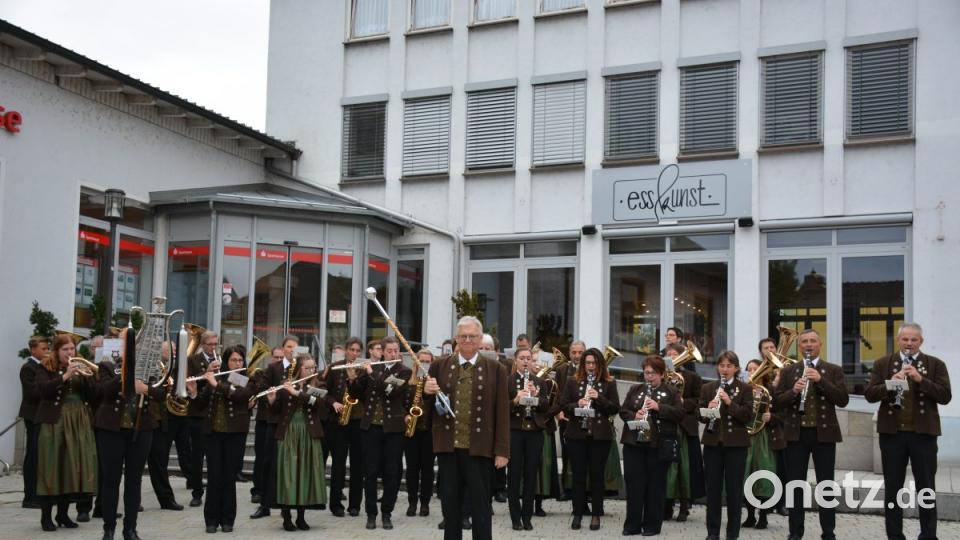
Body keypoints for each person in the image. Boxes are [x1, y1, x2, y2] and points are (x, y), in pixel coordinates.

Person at [424, 315, 510, 540]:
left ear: (480, 338)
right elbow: (426, 409)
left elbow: (502, 412)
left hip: (480, 448)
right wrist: (426, 392)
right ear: (456, 339)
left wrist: (502, 450)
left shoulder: (496, 368)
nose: (468, 340)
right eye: (464, 336)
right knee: (450, 507)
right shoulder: (439, 366)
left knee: (481, 507)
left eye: (473, 336)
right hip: (448, 448)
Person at [864, 322, 951, 540]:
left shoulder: (935, 364)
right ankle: (894, 535)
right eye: (905, 339)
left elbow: (945, 396)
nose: (909, 343)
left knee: (926, 487)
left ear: (921, 341)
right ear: (899, 340)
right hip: (892, 435)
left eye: (914, 340)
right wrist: (889, 384)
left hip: (923, 436)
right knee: (893, 487)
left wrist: (921, 380)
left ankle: (928, 535)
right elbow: (870, 394)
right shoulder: (884, 363)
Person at [773, 328, 849, 540]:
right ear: (800, 347)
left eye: (812, 341)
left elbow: (843, 399)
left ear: (820, 345)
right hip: (796, 435)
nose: (808, 345)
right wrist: (793, 392)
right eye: (804, 341)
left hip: (824, 435)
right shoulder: (789, 371)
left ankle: (828, 532)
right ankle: (795, 532)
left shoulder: (833, 370)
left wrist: (820, 380)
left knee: (826, 484)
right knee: (795, 484)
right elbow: (776, 402)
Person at [95, 329, 168, 540]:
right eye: (125, 343)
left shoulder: (149, 366)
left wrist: (145, 388)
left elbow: (162, 394)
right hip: (111, 428)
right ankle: (108, 528)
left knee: (134, 480)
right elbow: (100, 392)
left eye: (133, 343)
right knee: (110, 479)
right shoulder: (107, 364)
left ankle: (130, 528)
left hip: (141, 427)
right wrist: (124, 377)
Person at [33, 335, 98, 532]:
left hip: (79, 421)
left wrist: (89, 380)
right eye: (65, 350)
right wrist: (65, 376)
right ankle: (46, 517)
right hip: (55, 422)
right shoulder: (46, 367)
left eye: (72, 349)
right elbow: (42, 391)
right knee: (53, 466)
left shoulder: (81, 367)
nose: (70, 353)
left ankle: (63, 514)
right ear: (56, 351)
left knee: (72, 466)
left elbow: (94, 396)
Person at [352, 336, 412, 530]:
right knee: (369, 472)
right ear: (382, 352)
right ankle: (371, 514)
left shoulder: (404, 371)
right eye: (390, 351)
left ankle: (387, 513)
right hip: (370, 428)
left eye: (396, 351)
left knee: (392, 472)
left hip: (393, 429)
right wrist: (353, 377)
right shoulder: (373, 367)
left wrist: (371, 373)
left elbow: (389, 390)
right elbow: (355, 394)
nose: (393, 354)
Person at [194, 345, 254, 533]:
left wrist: (215, 383)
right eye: (233, 360)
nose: (237, 363)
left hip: (234, 434)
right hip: (213, 433)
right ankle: (211, 520)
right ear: (226, 361)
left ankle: (228, 520)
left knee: (229, 477)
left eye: (240, 360)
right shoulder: (217, 376)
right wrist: (194, 390)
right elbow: (201, 403)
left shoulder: (245, 379)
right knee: (214, 476)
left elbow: (240, 396)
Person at [620, 355, 683, 536]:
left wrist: (658, 407)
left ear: (662, 374)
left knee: (655, 487)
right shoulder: (635, 389)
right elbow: (623, 410)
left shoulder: (671, 392)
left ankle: (652, 526)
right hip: (634, 443)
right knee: (634, 485)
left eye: (653, 373)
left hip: (658, 445)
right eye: (647, 373)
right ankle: (632, 525)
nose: (649, 377)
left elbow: (680, 414)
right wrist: (635, 415)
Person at [559, 347, 620, 531]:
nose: (590, 367)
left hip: (600, 437)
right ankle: (577, 514)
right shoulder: (572, 381)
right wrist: (577, 403)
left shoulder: (609, 382)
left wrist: (599, 397)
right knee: (578, 476)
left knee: (596, 477)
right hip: (577, 435)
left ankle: (596, 515)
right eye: (587, 363)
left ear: (600, 364)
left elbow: (615, 408)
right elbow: (563, 404)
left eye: (593, 363)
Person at [268, 354, 330, 531]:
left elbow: (318, 403)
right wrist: (272, 400)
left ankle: (301, 517)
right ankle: (286, 517)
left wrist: (296, 392)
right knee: (289, 474)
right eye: (308, 367)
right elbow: (277, 410)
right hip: (289, 432)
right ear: (299, 369)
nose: (312, 370)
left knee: (305, 473)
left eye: (313, 367)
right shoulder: (286, 383)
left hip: (309, 433)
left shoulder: (319, 385)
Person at [700, 350, 753, 540]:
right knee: (713, 491)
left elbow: (748, 416)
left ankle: (732, 534)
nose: (725, 369)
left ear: (736, 368)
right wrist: (709, 410)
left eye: (729, 366)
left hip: (736, 446)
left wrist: (729, 403)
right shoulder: (708, 388)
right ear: (717, 367)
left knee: (734, 491)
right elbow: (700, 416)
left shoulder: (745, 389)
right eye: (722, 365)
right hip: (713, 445)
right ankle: (712, 533)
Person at [250, 337, 298, 520]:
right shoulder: (272, 369)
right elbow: (261, 388)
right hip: (274, 421)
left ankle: (289, 506)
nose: (291, 350)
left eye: (294, 347)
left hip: (294, 422)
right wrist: (275, 393)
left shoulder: (301, 368)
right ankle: (265, 505)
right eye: (288, 347)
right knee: (269, 462)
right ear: (283, 348)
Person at [663, 341, 705, 522]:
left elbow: (698, 400)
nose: (671, 357)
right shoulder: (661, 375)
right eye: (668, 354)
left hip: (686, 426)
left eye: (674, 354)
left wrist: (679, 402)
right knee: (667, 468)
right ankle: (666, 504)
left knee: (686, 469)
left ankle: (685, 505)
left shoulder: (693, 377)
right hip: (667, 425)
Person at [325, 337, 366, 517]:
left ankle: (355, 505)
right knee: (338, 464)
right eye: (352, 350)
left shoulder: (364, 370)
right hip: (338, 421)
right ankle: (336, 504)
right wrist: (333, 403)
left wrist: (353, 379)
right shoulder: (335, 368)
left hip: (357, 421)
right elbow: (325, 392)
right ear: (346, 350)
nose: (355, 354)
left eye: (358, 351)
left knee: (358, 465)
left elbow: (363, 394)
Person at [741, 358, 783, 530]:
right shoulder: (742, 390)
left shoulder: (771, 390)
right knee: (745, 473)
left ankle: (764, 515)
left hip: (764, 437)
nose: (752, 372)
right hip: (745, 436)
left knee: (763, 473)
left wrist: (771, 417)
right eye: (749, 369)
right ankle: (750, 514)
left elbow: (783, 415)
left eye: (755, 368)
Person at [507, 347, 545, 531]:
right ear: (515, 361)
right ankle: (515, 517)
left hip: (534, 433)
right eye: (521, 358)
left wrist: (536, 396)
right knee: (514, 475)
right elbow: (502, 408)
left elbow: (547, 406)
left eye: (528, 358)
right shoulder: (508, 381)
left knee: (531, 476)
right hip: (515, 432)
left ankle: (527, 516)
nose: (525, 361)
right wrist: (516, 400)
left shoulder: (539, 381)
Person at [145, 341, 186, 512]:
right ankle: (135, 500)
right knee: (137, 464)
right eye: (168, 350)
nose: (172, 353)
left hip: (160, 420)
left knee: (160, 462)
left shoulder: (172, 367)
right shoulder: (147, 365)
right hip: (144, 419)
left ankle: (166, 499)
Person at [185, 330, 220, 507]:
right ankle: (196, 492)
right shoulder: (192, 360)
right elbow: (189, 383)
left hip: (215, 412)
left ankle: (215, 490)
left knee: (214, 456)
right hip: (198, 412)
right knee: (197, 456)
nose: (213, 348)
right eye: (210, 344)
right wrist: (207, 372)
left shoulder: (220, 360)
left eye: (215, 344)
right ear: (203, 345)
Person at [249, 347, 285, 509]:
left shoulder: (288, 372)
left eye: (281, 357)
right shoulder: (265, 372)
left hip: (277, 421)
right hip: (264, 419)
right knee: (261, 456)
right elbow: (259, 392)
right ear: (271, 357)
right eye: (276, 357)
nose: (278, 359)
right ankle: (257, 490)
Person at [403, 348, 436, 517]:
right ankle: (412, 502)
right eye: (421, 361)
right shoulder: (408, 382)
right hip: (412, 430)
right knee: (412, 469)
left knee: (428, 470)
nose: (424, 364)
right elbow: (400, 405)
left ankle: (425, 503)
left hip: (429, 431)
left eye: (427, 361)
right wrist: (405, 416)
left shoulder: (434, 383)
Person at [19, 335, 49, 510]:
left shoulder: (41, 367)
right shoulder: (28, 368)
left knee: (40, 454)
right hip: (33, 414)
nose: (47, 352)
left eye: (47, 348)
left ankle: (38, 493)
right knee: (33, 454)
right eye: (44, 349)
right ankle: (29, 496)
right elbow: (32, 392)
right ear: (33, 350)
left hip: (42, 414)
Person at [555, 339, 585, 501]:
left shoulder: (589, 369)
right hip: (565, 418)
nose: (577, 356)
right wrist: (558, 412)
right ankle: (566, 489)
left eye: (580, 352)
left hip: (585, 418)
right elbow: (558, 394)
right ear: (569, 354)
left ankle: (582, 491)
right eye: (574, 352)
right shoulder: (562, 370)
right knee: (567, 454)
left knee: (582, 456)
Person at [533, 354, 561, 517]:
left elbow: (558, 404)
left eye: (539, 362)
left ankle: (539, 503)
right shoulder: (524, 380)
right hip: (528, 427)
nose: (537, 365)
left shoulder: (550, 383)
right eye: (534, 361)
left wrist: (545, 415)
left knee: (544, 467)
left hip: (545, 427)